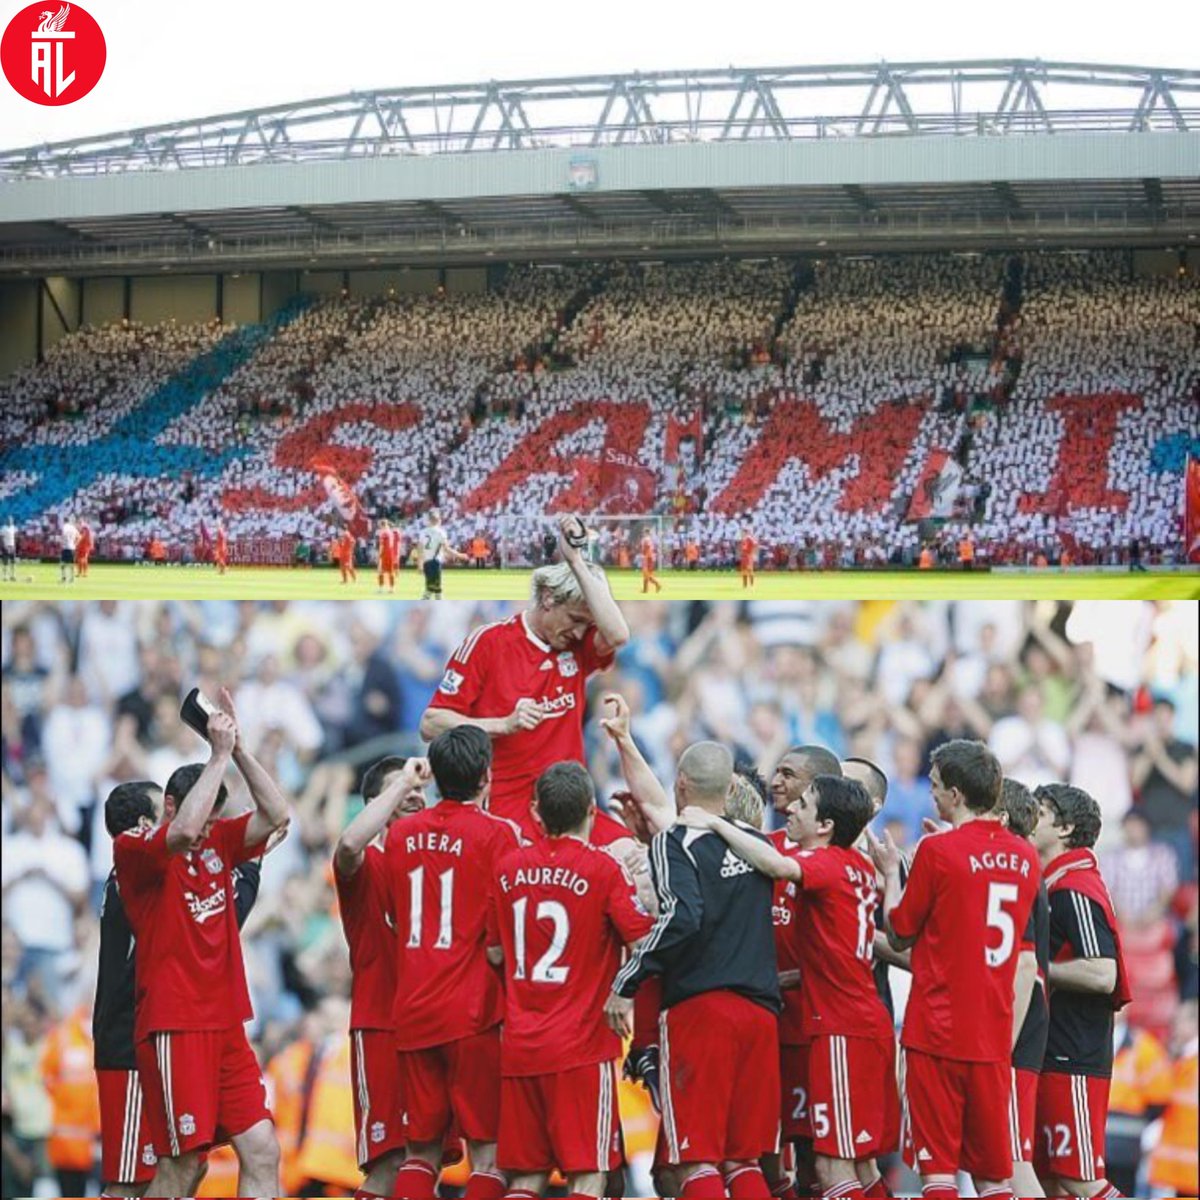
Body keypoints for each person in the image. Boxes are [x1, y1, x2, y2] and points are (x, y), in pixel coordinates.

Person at [680, 774, 899, 1200]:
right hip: (863, 1020)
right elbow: (839, 952)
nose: (791, 810)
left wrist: (718, 824)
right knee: (859, 1163)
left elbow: (778, 865)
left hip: (840, 1029)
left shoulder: (826, 865)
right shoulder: (856, 866)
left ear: (826, 826)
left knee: (831, 1166)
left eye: (805, 804)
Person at [112, 693, 289, 1198]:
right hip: (176, 1023)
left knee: (262, 1148)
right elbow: (186, 827)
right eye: (208, 817)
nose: (210, 828)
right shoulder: (137, 851)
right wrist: (214, 756)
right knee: (185, 1165)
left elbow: (276, 812)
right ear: (170, 804)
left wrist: (236, 751)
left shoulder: (219, 841)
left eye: (217, 818)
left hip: (225, 1021)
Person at [607, 741, 781, 1200]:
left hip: (703, 1012)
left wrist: (627, 981)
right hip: (761, 1014)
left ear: (681, 785)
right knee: (743, 1160)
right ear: (728, 789)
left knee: (696, 1159)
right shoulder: (760, 844)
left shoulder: (674, 842)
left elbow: (683, 917)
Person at [867, 739, 1040, 1200]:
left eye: (938, 786)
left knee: (938, 1171)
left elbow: (900, 930)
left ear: (957, 795)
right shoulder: (1026, 857)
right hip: (991, 1034)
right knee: (991, 1177)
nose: (933, 794)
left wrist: (890, 874)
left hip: (936, 1031)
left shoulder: (936, 851)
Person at [487, 762, 654, 1198]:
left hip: (521, 1044)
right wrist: (621, 990)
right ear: (593, 812)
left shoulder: (507, 869)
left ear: (537, 813)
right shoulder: (603, 870)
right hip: (581, 1048)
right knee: (588, 1173)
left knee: (526, 1176)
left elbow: (494, 951)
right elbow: (643, 944)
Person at [94, 780, 265, 1198]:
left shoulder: (154, 868)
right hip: (131, 1039)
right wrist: (249, 868)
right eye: (164, 812)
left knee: (187, 1166)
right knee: (130, 1182)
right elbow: (204, 925)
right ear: (144, 824)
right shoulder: (137, 868)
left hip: (163, 1033)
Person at [419, 513, 629, 836]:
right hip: (511, 815)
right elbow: (431, 723)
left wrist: (576, 561)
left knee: (636, 860)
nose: (579, 632)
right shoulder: (489, 643)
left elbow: (617, 634)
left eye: (587, 624)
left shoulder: (578, 644)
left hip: (573, 812)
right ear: (547, 598)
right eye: (574, 618)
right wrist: (502, 725)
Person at [383, 726, 521, 1200]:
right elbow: (506, 937)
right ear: (487, 775)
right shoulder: (500, 835)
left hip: (414, 1006)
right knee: (488, 1153)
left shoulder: (399, 835)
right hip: (473, 1012)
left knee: (420, 1152)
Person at [333, 756, 431, 1200]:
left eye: (420, 788)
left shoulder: (436, 867)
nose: (414, 793)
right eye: (402, 788)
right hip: (381, 1027)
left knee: (425, 1160)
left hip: (432, 1027)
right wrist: (402, 784)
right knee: (390, 1163)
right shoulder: (368, 863)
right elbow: (348, 845)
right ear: (374, 802)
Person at [1030, 783, 1130, 1200]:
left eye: (1040, 811)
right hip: (1054, 1048)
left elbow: (1102, 973)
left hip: (1075, 1054)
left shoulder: (1076, 888)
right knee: (1049, 1181)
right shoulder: (1055, 883)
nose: (1030, 817)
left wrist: (1035, 968)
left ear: (1067, 828)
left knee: (1079, 1178)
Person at [996, 777, 1052, 1199]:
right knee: (999, 1163)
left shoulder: (1018, 868)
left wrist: (1004, 1043)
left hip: (1017, 1029)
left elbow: (1027, 964)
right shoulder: (1021, 865)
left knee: (1014, 1162)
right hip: (1019, 1023)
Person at [419, 510, 469, 600]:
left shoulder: (423, 532)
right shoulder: (441, 532)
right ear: (438, 520)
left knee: (429, 589)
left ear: (429, 520)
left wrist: (420, 565)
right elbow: (447, 549)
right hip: (435, 562)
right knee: (437, 590)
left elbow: (420, 550)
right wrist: (459, 555)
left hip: (426, 563)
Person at [376, 519, 400, 593]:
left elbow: (381, 546)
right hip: (391, 554)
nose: (380, 528)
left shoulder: (383, 534)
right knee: (391, 572)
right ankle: (392, 589)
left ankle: (381, 589)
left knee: (380, 571)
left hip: (384, 555)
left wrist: (379, 555)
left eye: (380, 526)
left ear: (382, 525)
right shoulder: (391, 533)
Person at [60, 514, 79, 584]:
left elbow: (64, 535)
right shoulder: (73, 527)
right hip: (72, 548)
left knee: (62, 564)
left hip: (65, 547)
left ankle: (64, 577)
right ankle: (72, 579)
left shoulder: (64, 527)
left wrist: (62, 542)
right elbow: (79, 536)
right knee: (72, 564)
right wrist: (75, 544)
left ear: (64, 521)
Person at [1, 514, 16, 580]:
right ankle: (5, 576)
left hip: (12, 546)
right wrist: (4, 546)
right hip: (6, 546)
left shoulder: (13, 527)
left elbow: (13, 537)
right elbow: (1, 538)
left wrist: (14, 545)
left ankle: (12, 576)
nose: (10, 521)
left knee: (13, 562)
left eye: (11, 520)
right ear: (6, 521)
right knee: (5, 562)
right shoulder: (3, 528)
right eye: (9, 520)